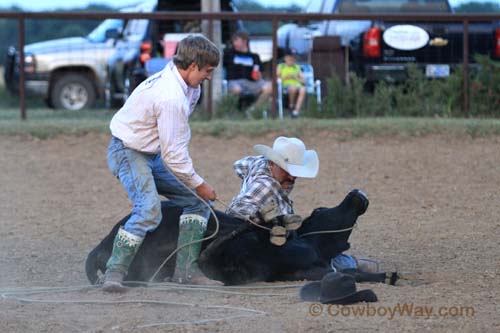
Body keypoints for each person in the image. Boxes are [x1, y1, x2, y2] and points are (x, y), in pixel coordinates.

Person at [102, 35, 222, 292]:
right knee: (149, 209)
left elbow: (172, 142)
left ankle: (186, 272)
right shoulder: (171, 96)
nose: (209, 77)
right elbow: (174, 155)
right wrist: (199, 183)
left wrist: (196, 188)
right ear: (192, 66)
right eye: (208, 71)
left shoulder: (188, 87)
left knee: (197, 204)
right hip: (128, 152)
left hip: (148, 153)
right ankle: (114, 272)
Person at [224, 136, 320, 271]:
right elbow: (237, 210)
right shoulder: (267, 185)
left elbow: (239, 165)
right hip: (252, 242)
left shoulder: (260, 163)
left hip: (244, 235)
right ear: (272, 163)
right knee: (308, 254)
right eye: (286, 170)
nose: (292, 177)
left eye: (295, 171)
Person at [223, 30, 272, 109]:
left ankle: (254, 109)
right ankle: (235, 110)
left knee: (270, 87)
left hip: (251, 82)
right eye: (233, 41)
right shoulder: (229, 54)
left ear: (244, 41)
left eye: (236, 40)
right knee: (236, 90)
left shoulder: (254, 56)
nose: (234, 43)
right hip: (235, 81)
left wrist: (258, 75)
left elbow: (259, 72)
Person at [277, 48, 306, 118]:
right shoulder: (281, 66)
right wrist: (286, 77)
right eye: (290, 57)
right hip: (285, 86)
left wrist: (295, 77)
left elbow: (304, 81)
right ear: (285, 58)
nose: (291, 59)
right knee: (293, 88)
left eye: (293, 57)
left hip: (297, 84)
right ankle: (291, 106)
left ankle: (296, 111)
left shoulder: (297, 67)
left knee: (303, 89)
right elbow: (277, 79)